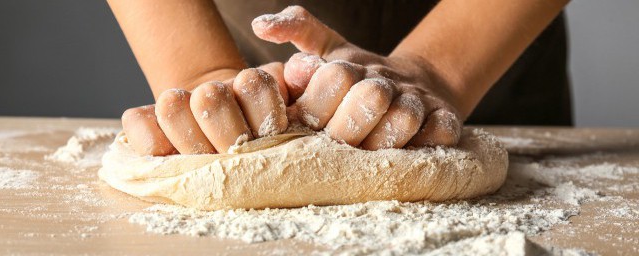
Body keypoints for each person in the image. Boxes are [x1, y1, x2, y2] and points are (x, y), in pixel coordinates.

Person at [107, 0, 572, 156]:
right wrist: (202, 70)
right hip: (240, 50)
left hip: (485, 52)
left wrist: (439, 69)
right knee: (233, 116)